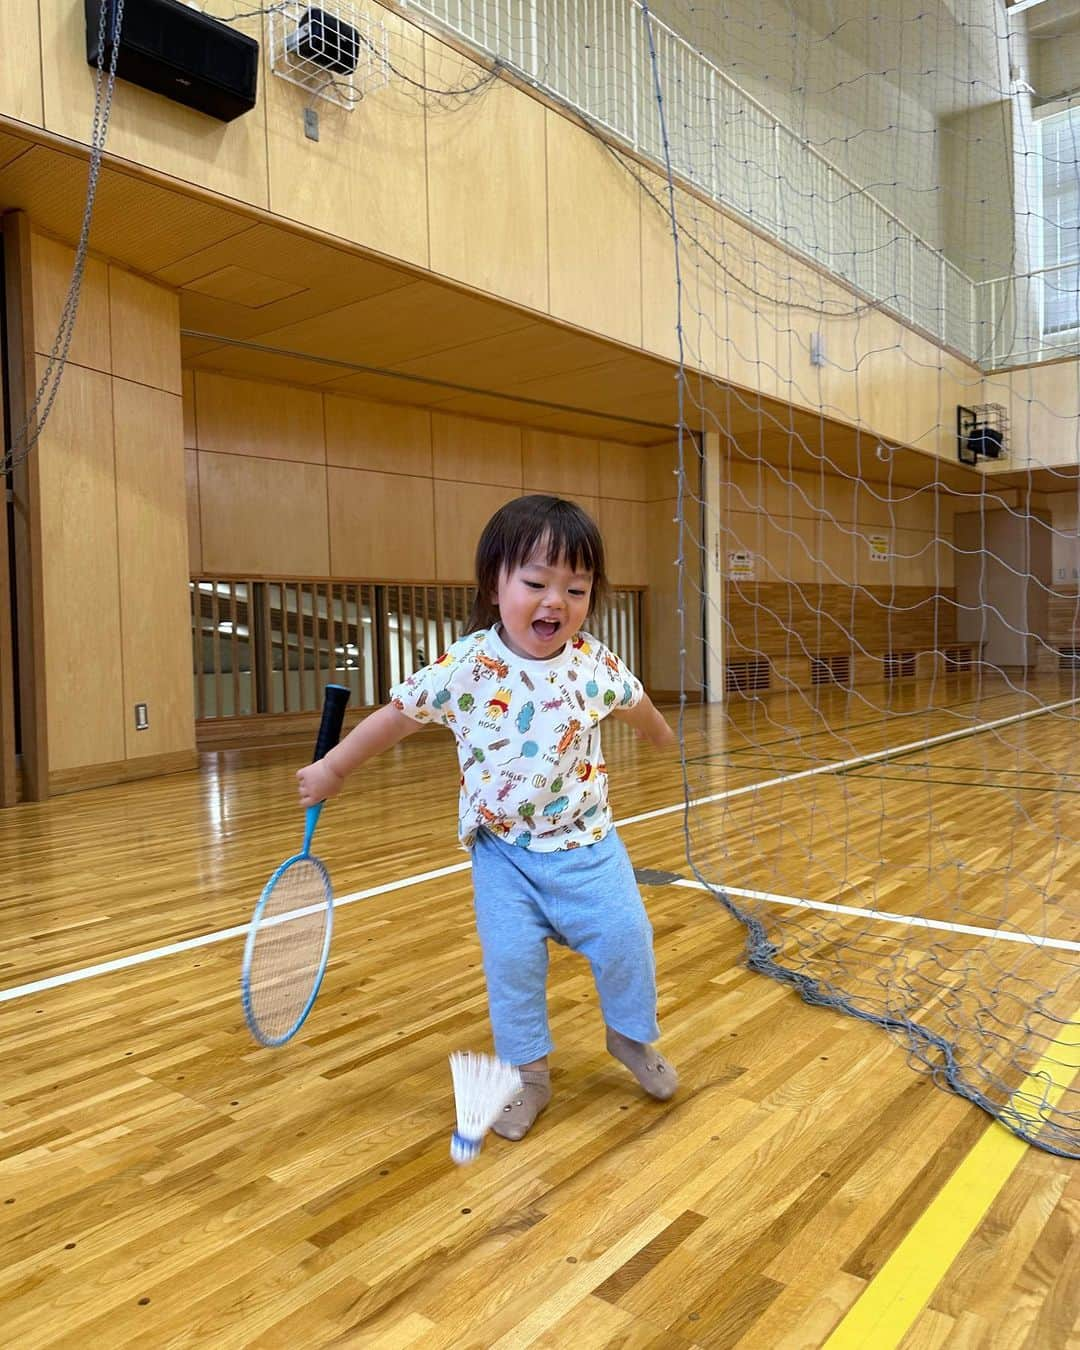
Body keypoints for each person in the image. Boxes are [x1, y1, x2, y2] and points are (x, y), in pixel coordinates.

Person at [297, 494, 678, 1141]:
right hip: (503, 855)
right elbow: (397, 717)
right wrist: (335, 767)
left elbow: (635, 702)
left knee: (627, 940)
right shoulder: (468, 667)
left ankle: (629, 1037)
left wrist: (660, 736)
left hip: (589, 846)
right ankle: (529, 1076)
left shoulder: (594, 664)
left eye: (576, 588)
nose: (555, 601)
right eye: (535, 582)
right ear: (495, 584)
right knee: (512, 966)